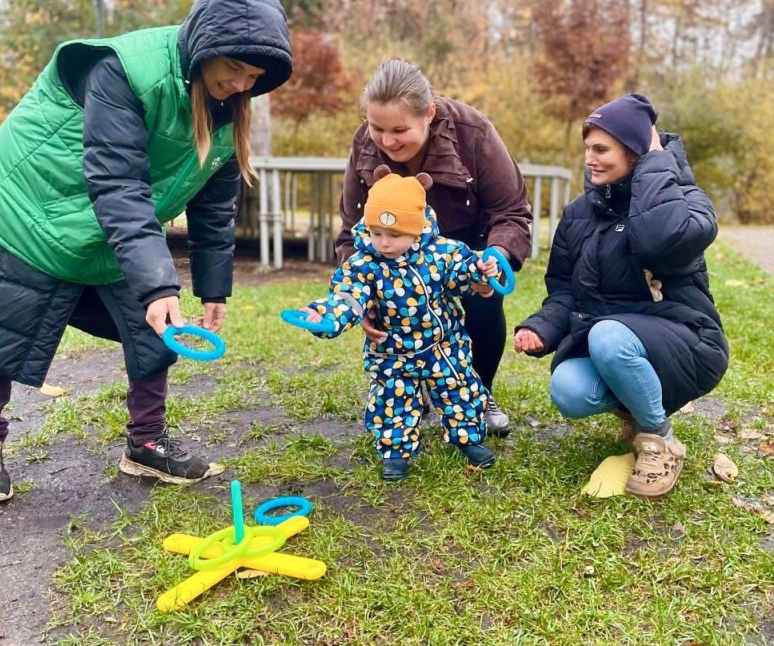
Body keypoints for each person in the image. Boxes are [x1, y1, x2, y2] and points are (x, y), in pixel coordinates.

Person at [0, 0, 293, 504]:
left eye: (254, 77)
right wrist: (159, 283)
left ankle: (146, 442)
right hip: (33, 202)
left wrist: (212, 290)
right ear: (204, 49)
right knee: (2, 324)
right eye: (234, 69)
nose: (242, 85)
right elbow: (119, 183)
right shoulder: (126, 69)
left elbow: (212, 205)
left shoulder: (229, 113)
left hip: (110, 220)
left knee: (155, 332)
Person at [513, 94, 728, 498]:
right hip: (613, 340)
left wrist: (655, 161)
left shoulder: (688, 202)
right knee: (569, 390)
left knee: (608, 336)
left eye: (601, 149)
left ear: (634, 151)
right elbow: (564, 291)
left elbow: (659, 239)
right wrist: (540, 327)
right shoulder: (579, 212)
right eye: (587, 149)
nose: (589, 159)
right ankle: (635, 405)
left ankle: (660, 440)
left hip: (688, 340)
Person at [336, 58, 532, 438]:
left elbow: (510, 210)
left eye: (399, 129)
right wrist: (354, 296)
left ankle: (479, 392)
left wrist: (494, 257)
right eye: (377, 128)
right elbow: (351, 227)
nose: (387, 141)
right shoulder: (364, 143)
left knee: (482, 302)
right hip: (394, 245)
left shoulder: (473, 132)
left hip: (468, 240)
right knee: (390, 304)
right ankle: (411, 387)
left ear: (428, 114)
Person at [299, 168, 500, 481]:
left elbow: (464, 273)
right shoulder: (364, 264)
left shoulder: (442, 253)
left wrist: (481, 272)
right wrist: (325, 316)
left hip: (443, 344)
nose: (385, 243)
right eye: (377, 233)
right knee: (393, 399)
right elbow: (349, 297)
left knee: (460, 390)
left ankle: (469, 439)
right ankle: (396, 452)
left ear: (417, 230)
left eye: (395, 235)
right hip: (392, 349)